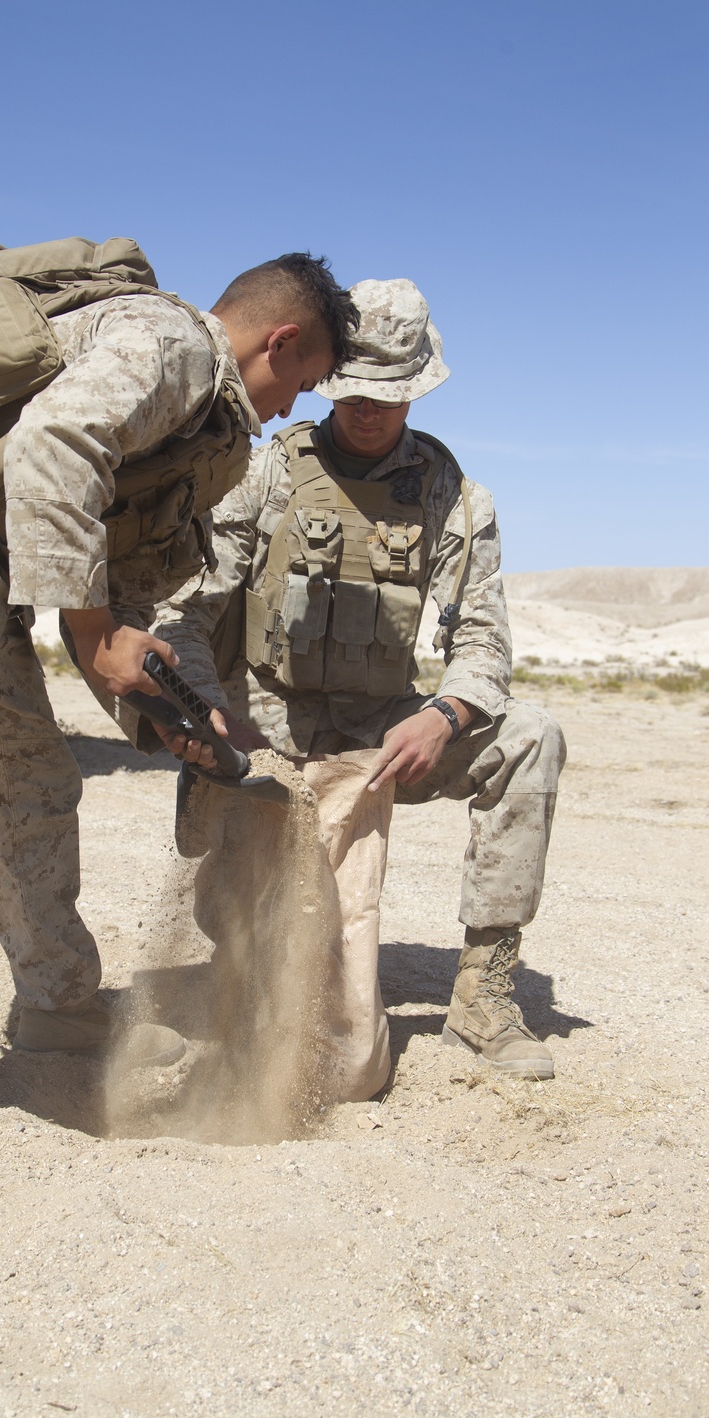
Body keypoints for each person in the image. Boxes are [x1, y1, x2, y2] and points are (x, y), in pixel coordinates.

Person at [0, 243, 358, 1211]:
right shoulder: (172, 346)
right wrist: (92, 638)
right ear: (280, 339)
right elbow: (52, 452)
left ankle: (58, 1009)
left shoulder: (199, 434)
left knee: (31, 788)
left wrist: (174, 713)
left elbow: (126, 596)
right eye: (299, 381)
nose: (291, 407)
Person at [152, 278, 566, 1102]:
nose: (368, 411)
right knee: (253, 948)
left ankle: (483, 995)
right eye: (354, 392)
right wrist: (212, 714)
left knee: (532, 736)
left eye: (389, 396)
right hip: (268, 723)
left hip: (386, 728)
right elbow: (186, 613)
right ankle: (240, 962)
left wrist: (445, 716)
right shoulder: (266, 471)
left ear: (415, 388)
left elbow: (483, 642)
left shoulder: (454, 496)